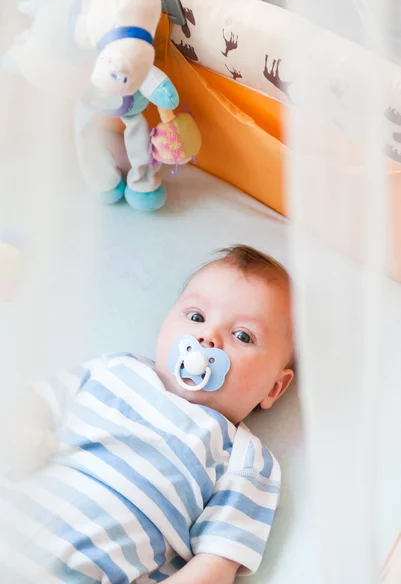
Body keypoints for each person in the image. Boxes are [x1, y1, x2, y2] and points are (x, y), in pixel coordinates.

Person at [0, 244, 294, 584]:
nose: (207, 337)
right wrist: (25, 430)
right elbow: (32, 401)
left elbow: (216, 565)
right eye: (196, 316)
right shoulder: (115, 369)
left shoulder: (244, 458)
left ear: (274, 388)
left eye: (242, 335)